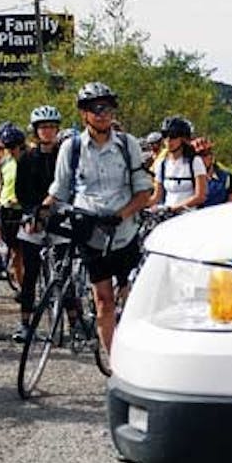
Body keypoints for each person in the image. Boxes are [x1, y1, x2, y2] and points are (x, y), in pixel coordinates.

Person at [47, 82, 151, 358]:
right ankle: (116, 364)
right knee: (103, 300)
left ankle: (137, 353)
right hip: (90, 233)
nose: (103, 114)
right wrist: (39, 212)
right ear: (84, 114)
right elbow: (59, 190)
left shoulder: (128, 145)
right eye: (96, 108)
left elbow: (143, 193)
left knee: (132, 300)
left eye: (107, 108)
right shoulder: (71, 148)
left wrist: (120, 216)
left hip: (124, 232)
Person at [13, 105, 63, 342]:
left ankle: (75, 322)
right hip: (33, 217)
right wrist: (32, 214)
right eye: (43, 127)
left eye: (51, 127)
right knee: (30, 271)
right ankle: (25, 323)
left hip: (61, 215)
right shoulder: (26, 158)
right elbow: (21, 192)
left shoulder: (65, 156)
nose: (47, 131)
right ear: (36, 130)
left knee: (64, 271)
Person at [0, 124, 27, 293]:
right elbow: (2, 184)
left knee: (23, 251)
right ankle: (21, 287)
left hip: (22, 209)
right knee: (14, 251)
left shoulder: (28, 161)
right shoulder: (4, 162)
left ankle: (27, 286)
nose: (11, 150)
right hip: (6, 209)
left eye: (14, 147)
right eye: (7, 147)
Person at [149, 116, 206, 213]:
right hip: (167, 215)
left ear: (183, 139)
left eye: (173, 135)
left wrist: (173, 208)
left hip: (190, 215)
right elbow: (156, 196)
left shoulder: (195, 162)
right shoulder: (161, 163)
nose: (168, 140)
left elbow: (200, 196)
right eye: (165, 135)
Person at [193, 137, 232, 207]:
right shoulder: (188, 178)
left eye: (207, 153)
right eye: (198, 155)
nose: (200, 159)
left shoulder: (226, 178)